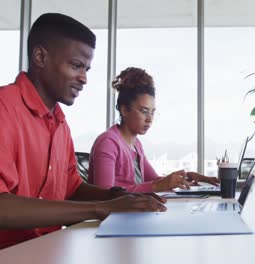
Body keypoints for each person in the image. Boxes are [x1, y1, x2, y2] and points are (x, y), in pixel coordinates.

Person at [0, 13, 166, 250]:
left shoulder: (59, 124)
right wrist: (100, 209)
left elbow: (73, 188)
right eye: (76, 66)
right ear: (40, 57)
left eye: (86, 68)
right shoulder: (4, 109)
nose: (84, 79)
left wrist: (119, 198)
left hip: (48, 250)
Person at [88, 67, 219, 192]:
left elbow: (155, 181)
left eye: (152, 112)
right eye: (144, 111)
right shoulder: (108, 142)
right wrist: (159, 185)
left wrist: (185, 178)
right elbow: (104, 194)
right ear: (124, 110)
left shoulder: (136, 145)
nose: (150, 119)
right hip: (114, 215)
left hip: (132, 212)